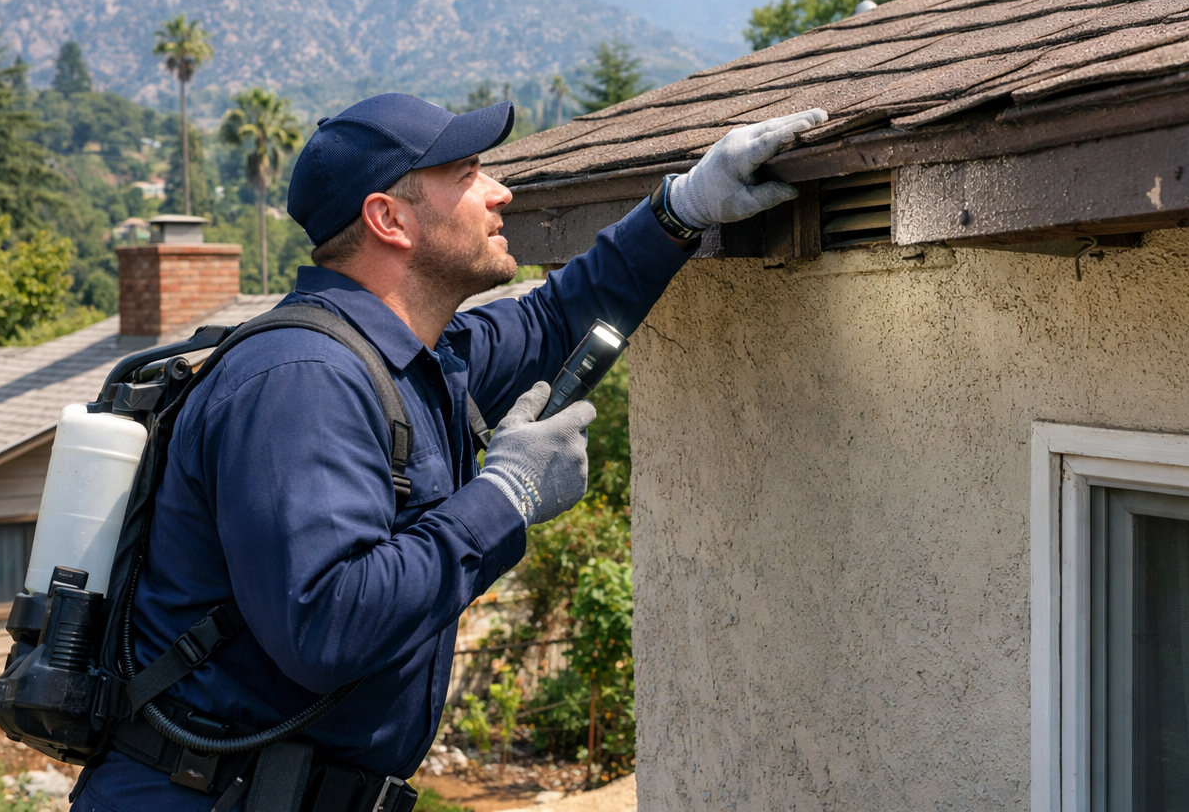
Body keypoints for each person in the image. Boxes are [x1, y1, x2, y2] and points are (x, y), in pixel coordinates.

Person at [73, 92, 826, 812]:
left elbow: (559, 314)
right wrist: (507, 498)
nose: (500, 193)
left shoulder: (419, 362)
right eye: (467, 176)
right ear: (389, 219)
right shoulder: (302, 382)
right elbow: (326, 625)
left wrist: (681, 207)